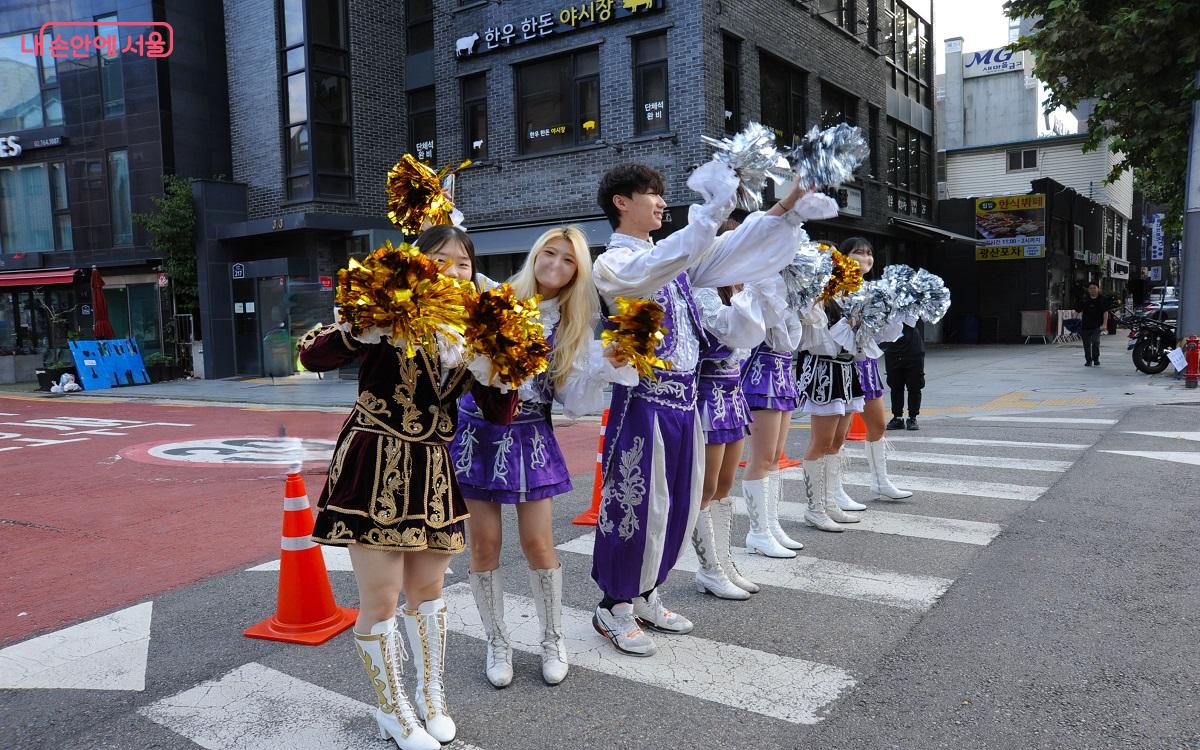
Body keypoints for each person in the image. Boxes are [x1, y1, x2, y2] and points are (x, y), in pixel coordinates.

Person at [589, 159, 838, 656]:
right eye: (652, 194)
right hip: (643, 403)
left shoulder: (676, 260)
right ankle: (612, 605)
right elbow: (673, 257)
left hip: (686, 402)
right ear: (622, 203)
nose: (662, 203)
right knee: (639, 506)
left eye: (662, 194)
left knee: (678, 506)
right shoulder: (614, 263)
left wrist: (786, 205)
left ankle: (646, 593)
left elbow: (731, 248)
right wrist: (712, 209)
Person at [298, 225, 514, 750]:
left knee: (430, 592)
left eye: (463, 263)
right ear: (417, 265)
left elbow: (499, 414)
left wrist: (505, 367)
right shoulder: (386, 309)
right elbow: (312, 355)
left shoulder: (475, 332)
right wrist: (359, 327)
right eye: (440, 260)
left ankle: (431, 696)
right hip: (376, 460)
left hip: (434, 471)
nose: (453, 271)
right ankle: (392, 711)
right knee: (381, 599)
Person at [451, 226, 634, 688]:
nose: (555, 264)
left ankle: (552, 639)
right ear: (535, 255)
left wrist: (607, 365)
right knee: (484, 545)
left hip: (531, 435)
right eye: (549, 253)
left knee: (538, 544)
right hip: (477, 433)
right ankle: (498, 642)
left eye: (568, 260)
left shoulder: (573, 326)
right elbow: (452, 271)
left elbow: (572, 399)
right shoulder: (497, 296)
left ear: (578, 271)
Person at [691, 215, 778, 598]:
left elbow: (755, 341)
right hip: (707, 395)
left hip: (732, 395)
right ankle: (709, 569)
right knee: (706, 488)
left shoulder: (737, 289)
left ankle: (724, 563)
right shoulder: (704, 290)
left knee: (725, 486)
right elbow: (725, 333)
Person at [831, 239, 912, 508]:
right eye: (858, 252)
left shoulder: (875, 290)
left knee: (878, 425)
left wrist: (897, 311)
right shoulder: (835, 290)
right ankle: (835, 489)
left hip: (866, 364)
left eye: (869, 253)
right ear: (844, 257)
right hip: (841, 364)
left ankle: (880, 481)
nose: (865, 258)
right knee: (837, 434)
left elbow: (885, 335)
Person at [795, 280, 867, 533]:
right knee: (822, 442)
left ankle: (829, 502)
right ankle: (815, 509)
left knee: (837, 441)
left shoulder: (847, 296)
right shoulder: (812, 299)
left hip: (847, 370)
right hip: (824, 370)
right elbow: (816, 341)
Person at [884, 322, 926, 431]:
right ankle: (897, 417)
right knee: (895, 385)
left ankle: (912, 417)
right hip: (893, 349)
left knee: (915, 385)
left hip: (913, 350)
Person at [1075, 282, 1110, 367]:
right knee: (1086, 344)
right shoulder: (1085, 299)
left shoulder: (1102, 299)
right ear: (1088, 290)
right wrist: (1074, 320)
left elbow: (1105, 312)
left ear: (1098, 289)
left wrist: (1104, 324)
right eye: (1090, 288)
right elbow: (1077, 310)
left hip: (1097, 325)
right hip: (1085, 325)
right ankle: (1088, 360)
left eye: (1094, 288)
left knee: (1095, 342)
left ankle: (1096, 358)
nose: (1092, 290)